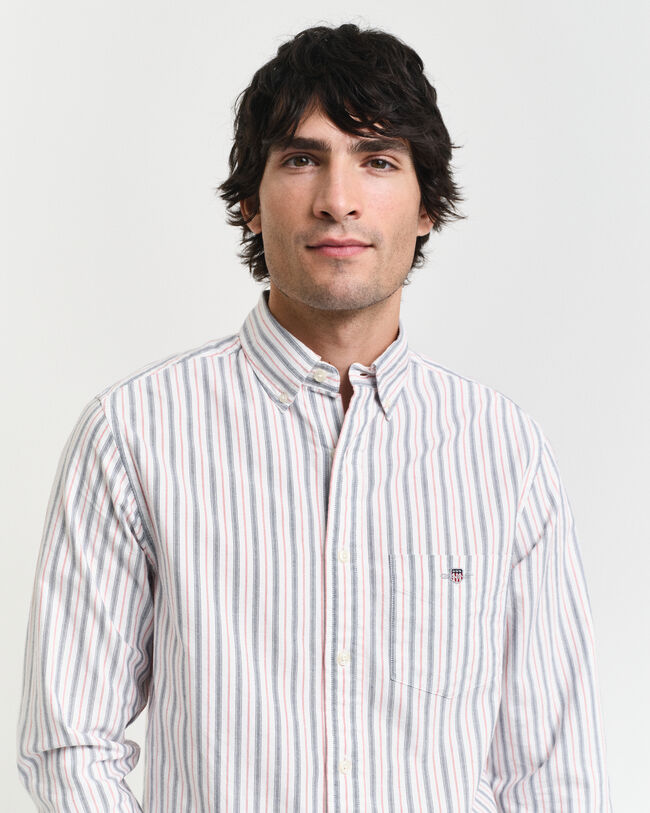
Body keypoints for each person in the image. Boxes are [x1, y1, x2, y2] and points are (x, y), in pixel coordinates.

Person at [17, 23, 612, 812]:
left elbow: (550, 773)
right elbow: (70, 745)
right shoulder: (134, 435)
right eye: (302, 159)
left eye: (377, 160)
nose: (338, 199)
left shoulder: (505, 452)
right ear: (249, 203)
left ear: (427, 206)